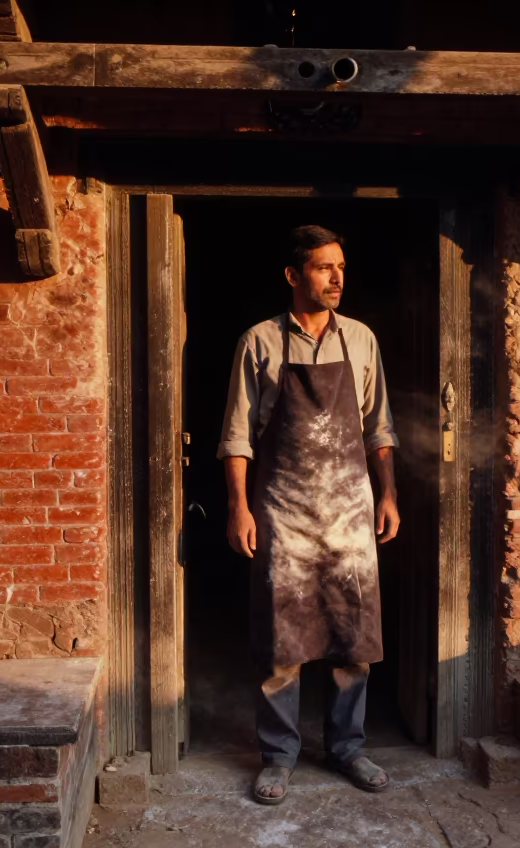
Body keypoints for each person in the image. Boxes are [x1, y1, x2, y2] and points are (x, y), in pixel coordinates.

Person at [217, 225, 400, 805]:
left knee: (353, 637)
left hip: (349, 511)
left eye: (341, 266)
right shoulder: (260, 342)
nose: (337, 277)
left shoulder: (363, 340)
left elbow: (380, 429)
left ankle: (347, 747)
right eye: (324, 268)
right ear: (294, 276)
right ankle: (279, 756)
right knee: (283, 642)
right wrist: (238, 507)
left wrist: (388, 494)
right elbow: (238, 435)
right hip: (285, 512)